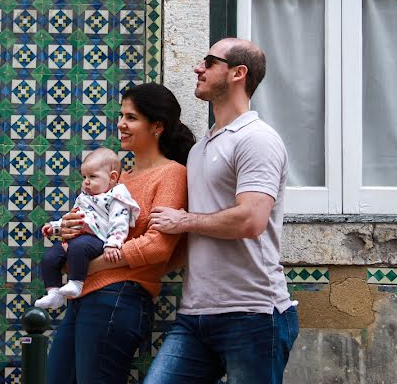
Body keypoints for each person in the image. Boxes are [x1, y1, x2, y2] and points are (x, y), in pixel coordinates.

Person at [146, 38, 299, 384]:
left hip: (253, 313)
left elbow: (251, 220)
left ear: (238, 73)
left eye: (209, 62)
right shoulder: (202, 148)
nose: (198, 68)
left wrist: (183, 220)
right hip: (195, 314)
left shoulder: (256, 139)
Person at [44, 83, 195, 384]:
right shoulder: (118, 178)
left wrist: (88, 266)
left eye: (131, 117)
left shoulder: (172, 174)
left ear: (157, 127)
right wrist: (66, 231)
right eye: (121, 115)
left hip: (119, 296)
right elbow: (93, 230)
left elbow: (157, 247)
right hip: (85, 296)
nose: (121, 125)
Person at [35, 147, 140, 309]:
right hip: (78, 238)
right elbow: (73, 216)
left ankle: (76, 283)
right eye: (84, 177)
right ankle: (54, 293)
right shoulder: (85, 197)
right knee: (50, 257)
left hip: (98, 239)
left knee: (79, 246)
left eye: (92, 176)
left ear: (112, 178)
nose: (86, 181)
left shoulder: (115, 197)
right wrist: (55, 227)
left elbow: (119, 222)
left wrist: (113, 243)